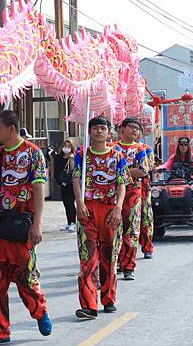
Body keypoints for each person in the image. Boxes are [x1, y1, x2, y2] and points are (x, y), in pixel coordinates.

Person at [0, 110, 52, 345]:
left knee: (25, 277)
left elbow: (39, 189)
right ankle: (0, 330)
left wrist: (38, 223)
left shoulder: (33, 153)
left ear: (11, 128)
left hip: (22, 224)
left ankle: (39, 310)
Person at [73, 116, 127, 319]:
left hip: (110, 209)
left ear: (109, 132)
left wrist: (118, 207)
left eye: (102, 128)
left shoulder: (117, 156)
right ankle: (89, 304)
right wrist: (79, 202)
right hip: (88, 210)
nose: (98, 132)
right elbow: (76, 179)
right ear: (89, 132)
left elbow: (122, 183)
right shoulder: (82, 155)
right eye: (94, 128)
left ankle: (108, 298)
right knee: (88, 258)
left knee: (109, 256)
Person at [116, 118, 150, 280]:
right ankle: (118, 261)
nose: (135, 130)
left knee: (132, 227)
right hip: (114, 193)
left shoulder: (140, 149)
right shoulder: (113, 148)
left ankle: (129, 265)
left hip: (134, 192)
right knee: (116, 228)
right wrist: (130, 170)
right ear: (122, 129)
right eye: (131, 127)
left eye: (137, 128)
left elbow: (143, 170)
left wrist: (121, 171)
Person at [49, 139, 77, 232]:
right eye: (65, 146)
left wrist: (72, 160)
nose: (66, 148)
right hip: (62, 183)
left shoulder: (73, 157)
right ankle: (69, 222)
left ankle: (73, 223)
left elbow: (73, 171)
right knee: (65, 203)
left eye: (69, 146)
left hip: (71, 184)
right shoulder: (60, 157)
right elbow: (52, 160)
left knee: (70, 203)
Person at [139, 131, 156, 260]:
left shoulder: (146, 149)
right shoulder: (116, 148)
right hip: (121, 191)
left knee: (145, 219)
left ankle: (147, 247)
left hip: (142, 189)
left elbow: (147, 167)